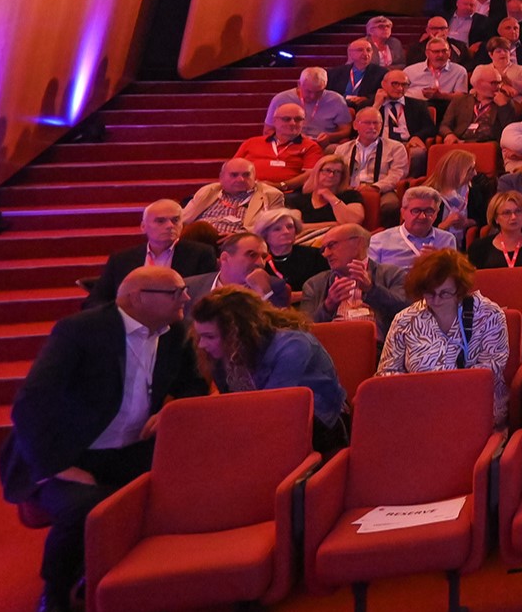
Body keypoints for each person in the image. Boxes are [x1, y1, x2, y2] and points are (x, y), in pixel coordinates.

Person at [2, 267, 208, 612]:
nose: (186, 298)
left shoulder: (175, 332)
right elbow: (30, 403)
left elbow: (193, 386)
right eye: (175, 292)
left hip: (131, 447)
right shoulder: (80, 332)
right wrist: (56, 466)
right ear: (136, 297)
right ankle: (55, 593)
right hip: (72, 452)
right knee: (83, 506)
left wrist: (170, 412)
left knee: (189, 483)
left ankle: (137, 575)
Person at [190, 288, 347, 449]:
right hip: (265, 427)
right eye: (200, 336)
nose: (201, 345)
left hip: (319, 427)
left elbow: (272, 410)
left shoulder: (292, 346)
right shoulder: (222, 353)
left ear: (237, 332)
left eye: (209, 337)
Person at [378, 250, 513, 425]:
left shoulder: (488, 313)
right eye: (429, 293)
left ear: (460, 289)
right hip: (418, 406)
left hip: (474, 404)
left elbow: (491, 369)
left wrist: (443, 390)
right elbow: (386, 371)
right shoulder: (405, 319)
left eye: (445, 293)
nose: (436, 300)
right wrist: (413, 389)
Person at [87, 201, 217, 307]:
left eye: (175, 220)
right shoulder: (121, 259)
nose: (170, 226)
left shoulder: (200, 254)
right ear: (143, 227)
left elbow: (206, 298)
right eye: (160, 221)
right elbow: (97, 300)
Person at [298, 224, 410, 326]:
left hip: (377, 345)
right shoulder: (314, 284)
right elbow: (303, 327)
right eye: (323, 249)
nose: (326, 254)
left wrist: (372, 290)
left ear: (358, 244)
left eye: (332, 245)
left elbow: (407, 313)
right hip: (329, 343)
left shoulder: (392, 274)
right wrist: (328, 305)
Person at [182, 158, 281, 236]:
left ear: (254, 177)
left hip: (238, 241)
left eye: (246, 175)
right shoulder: (209, 191)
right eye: (234, 175)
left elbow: (273, 227)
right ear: (221, 177)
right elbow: (184, 218)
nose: (241, 179)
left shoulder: (270, 195)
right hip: (200, 237)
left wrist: (240, 235)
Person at [471, 191, 522, 272]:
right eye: (506, 213)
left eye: (518, 211)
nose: (514, 217)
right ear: (496, 218)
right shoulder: (480, 247)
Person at [266, 67, 353, 143]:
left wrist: (330, 137)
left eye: (319, 92)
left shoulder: (336, 100)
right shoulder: (281, 99)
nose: (313, 96)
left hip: (324, 144)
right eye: (308, 91)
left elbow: (346, 130)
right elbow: (268, 130)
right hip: (289, 142)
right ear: (299, 84)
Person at [252, 207, 328, 289]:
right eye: (277, 229)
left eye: (290, 227)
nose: (286, 232)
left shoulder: (315, 256)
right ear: (265, 235)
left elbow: (323, 289)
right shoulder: (259, 262)